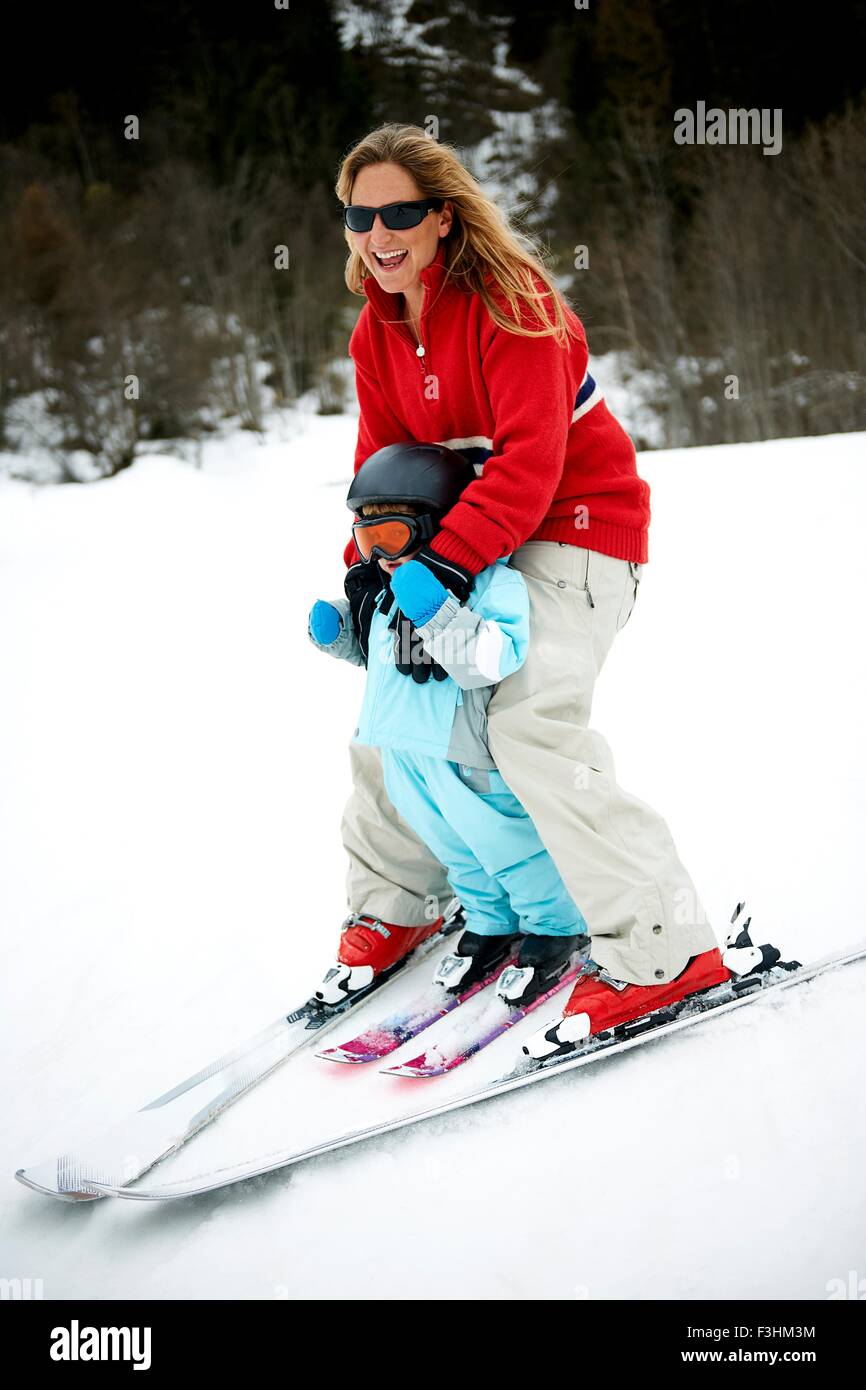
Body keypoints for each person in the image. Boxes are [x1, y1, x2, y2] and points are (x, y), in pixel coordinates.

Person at [329, 121, 728, 1036]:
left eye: (400, 212)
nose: (378, 233)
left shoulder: (514, 301)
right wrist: (366, 572)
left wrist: (436, 565)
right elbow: (380, 466)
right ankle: (395, 903)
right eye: (361, 214)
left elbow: (530, 467)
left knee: (526, 723)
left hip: (577, 533)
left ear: (442, 217)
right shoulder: (376, 329)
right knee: (392, 709)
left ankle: (664, 948)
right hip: (468, 544)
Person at [309, 441, 591, 1008]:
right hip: (402, 750)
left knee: (502, 839)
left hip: (461, 750)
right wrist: (340, 636)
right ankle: (490, 922)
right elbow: (381, 658)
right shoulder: (390, 586)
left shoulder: (491, 584)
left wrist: (437, 609)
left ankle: (555, 923)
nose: (381, 555)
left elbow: (491, 659)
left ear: (437, 527)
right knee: (454, 847)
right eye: (367, 541)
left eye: (392, 537)